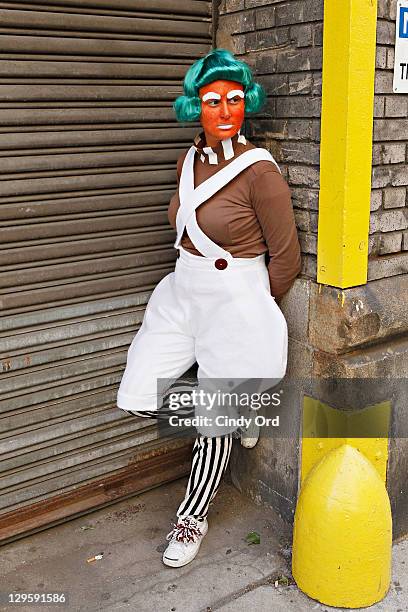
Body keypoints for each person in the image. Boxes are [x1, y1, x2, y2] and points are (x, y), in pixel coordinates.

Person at [116, 48, 301, 568]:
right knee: (139, 392)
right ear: (195, 106)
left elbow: (285, 256)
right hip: (182, 292)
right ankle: (246, 405)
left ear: (248, 105)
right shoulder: (188, 162)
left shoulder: (259, 172)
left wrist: (251, 311)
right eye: (213, 100)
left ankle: (191, 516)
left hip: (235, 297)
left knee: (214, 417)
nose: (225, 111)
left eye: (236, 100)